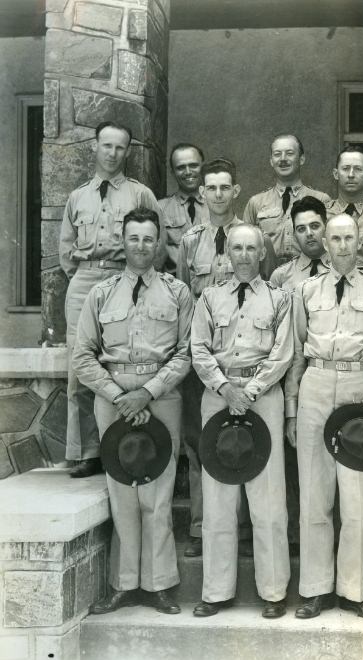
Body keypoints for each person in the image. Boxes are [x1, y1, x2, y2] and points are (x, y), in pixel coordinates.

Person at [73, 207, 191, 615]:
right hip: (113, 397)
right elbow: (83, 357)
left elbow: (186, 352)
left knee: (157, 493)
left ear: (158, 244)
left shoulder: (177, 293)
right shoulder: (101, 293)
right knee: (122, 490)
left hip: (161, 395)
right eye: (134, 238)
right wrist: (117, 394)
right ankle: (125, 584)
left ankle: (158, 585)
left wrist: (149, 392)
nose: (141, 247)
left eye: (148, 239)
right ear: (123, 242)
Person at [286, 214, 363, 620]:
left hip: (357, 389)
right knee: (315, 495)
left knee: (356, 498)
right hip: (316, 382)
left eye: (350, 238)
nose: (343, 245)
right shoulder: (306, 290)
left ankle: (352, 590)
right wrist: (292, 411)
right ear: (325, 244)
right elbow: (296, 352)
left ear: (360, 240)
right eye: (336, 238)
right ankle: (315, 590)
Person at [190, 224, 294, 619]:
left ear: (263, 253)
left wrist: (250, 391)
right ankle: (216, 591)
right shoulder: (210, 298)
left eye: (252, 248)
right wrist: (224, 388)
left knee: (268, 499)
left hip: (263, 397)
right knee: (218, 499)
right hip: (218, 398)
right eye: (238, 248)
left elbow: (284, 351)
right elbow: (198, 348)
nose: (245, 255)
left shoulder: (280, 299)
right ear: (227, 254)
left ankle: (273, 591)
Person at [176, 158, 273, 558]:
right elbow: (185, 296)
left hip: (245, 353)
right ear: (202, 193)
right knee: (203, 443)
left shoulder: (248, 237)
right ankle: (203, 528)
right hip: (206, 357)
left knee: (249, 440)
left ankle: (246, 531)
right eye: (210, 187)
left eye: (224, 187)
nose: (217, 194)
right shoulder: (189, 241)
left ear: (236, 192)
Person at [59, 120, 167, 479]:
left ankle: (122, 443)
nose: (113, 153)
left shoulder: (140, 194)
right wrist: (82, 276)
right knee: (81, 366)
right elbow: (64, 251)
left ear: (127, 152)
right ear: (96, 147)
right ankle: (87, 452)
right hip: (85, 279)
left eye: (120, 147)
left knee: (123, 360)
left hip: (126, 278)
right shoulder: (78, 196)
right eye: (107, 145)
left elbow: (158, 244)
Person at [243, 134, 330, 263]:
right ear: (271, 161)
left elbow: (330, 243)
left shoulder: (321, 199)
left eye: (289, 153)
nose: (283, 159)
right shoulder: (256, 203)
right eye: (277, 154)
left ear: (301, 159)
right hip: (267, 276)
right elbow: (245, 244)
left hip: (308, 275)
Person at [158, 143, 208, 273]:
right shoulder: (160, 209)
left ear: (203, 167)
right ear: (173, 172)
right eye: (181, 167)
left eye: (193, 165)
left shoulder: (217, 204)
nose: (188, 172)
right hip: (174, 286)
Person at [269, 196, 331, 292]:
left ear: (326, 227)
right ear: (295, 234)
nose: (309, 233)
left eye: (314, 226)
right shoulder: (280, 277)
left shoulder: (343, 268)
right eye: (301, 229)